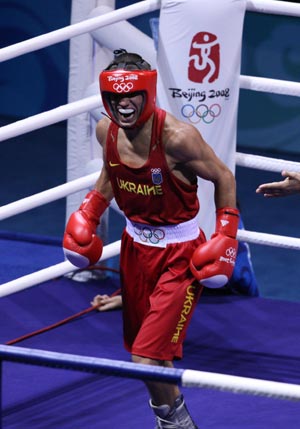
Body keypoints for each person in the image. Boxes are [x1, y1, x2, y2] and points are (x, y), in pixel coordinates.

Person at [63, 49, 240, 429]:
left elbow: (224, 177)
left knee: (144, 358)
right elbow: (111, 176)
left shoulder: (178, 138)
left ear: (147, 93)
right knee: (153, 356)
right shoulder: (105, 132)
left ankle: (177, 425)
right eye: (115, 97)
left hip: (180, 255)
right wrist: (89, 212)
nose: (122, 104)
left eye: (130, 96)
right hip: (134, 250)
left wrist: (226, 234)